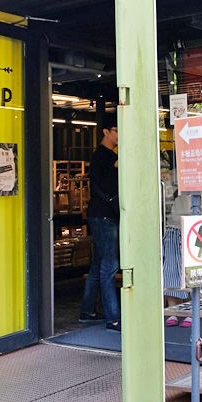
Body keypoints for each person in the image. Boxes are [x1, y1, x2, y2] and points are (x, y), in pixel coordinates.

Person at [80, 116, 121, 331]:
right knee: (109, 265)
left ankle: (87, 311)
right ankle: (113, 318)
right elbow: (100, 187)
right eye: (117, 129)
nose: (119, 134)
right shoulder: (101, 157)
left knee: (98, 265)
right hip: (105, 216)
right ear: (106, 132)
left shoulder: (107, 156)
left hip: (99, 215)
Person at [162, 191, 202, 327]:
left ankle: (194, 308)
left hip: (197, 224)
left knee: (195, 268)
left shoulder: (200, 177)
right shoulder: (176, 175)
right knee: (171, 268)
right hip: (174, 223)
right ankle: (173, 309)